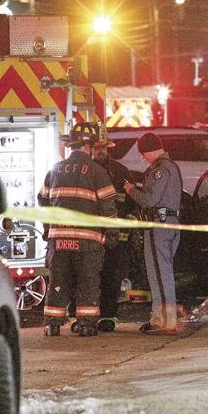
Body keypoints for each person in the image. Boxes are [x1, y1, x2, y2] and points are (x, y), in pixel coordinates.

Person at [38, 122, 117, 337]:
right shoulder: (98, 172)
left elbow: (42, 201)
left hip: (59, 239)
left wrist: (49, 230)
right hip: (88, 241)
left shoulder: (54, 170)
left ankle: (52, 324)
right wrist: (112, 235)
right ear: (87, 147)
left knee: (58, 280)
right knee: (87, 281)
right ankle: (86, 325)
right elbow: (109, 207)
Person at [123, 132, 182, 335]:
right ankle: (159, 319)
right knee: (159, 273)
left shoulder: (161, 169)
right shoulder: (169, 167)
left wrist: (131, 190)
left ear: (150, 150)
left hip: (160, 226)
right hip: (167, 223)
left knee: (160, 274)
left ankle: (167, 321)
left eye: (143, 153)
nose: (143, 158)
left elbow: (150, 199)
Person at [91, 123, 135, 333]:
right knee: (88, 276)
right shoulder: (85, 171)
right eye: (96, 148)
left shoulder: (120, 171)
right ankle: (85, 315)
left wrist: (125, 233)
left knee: (110, 277)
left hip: (114, 237)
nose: (100, 152)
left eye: (103, 148)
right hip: (90, 235)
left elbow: (132, 202)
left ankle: (108, 317)